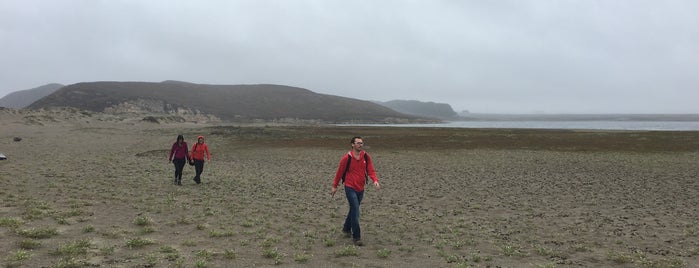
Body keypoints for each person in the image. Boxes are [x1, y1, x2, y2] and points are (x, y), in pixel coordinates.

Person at [331, 136, 380, 246]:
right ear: (352, 144)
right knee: (356, 210)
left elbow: (370, 169)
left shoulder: (366, 157)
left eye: (361, 143)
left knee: (353, 209)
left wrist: (375, 180)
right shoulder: (346, 158)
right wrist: (335, 186)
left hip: (361, 188)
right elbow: (339, 172)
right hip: (349, 187)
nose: (360, 145)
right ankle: (356, 237)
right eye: (358, 143)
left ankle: (346, 229)